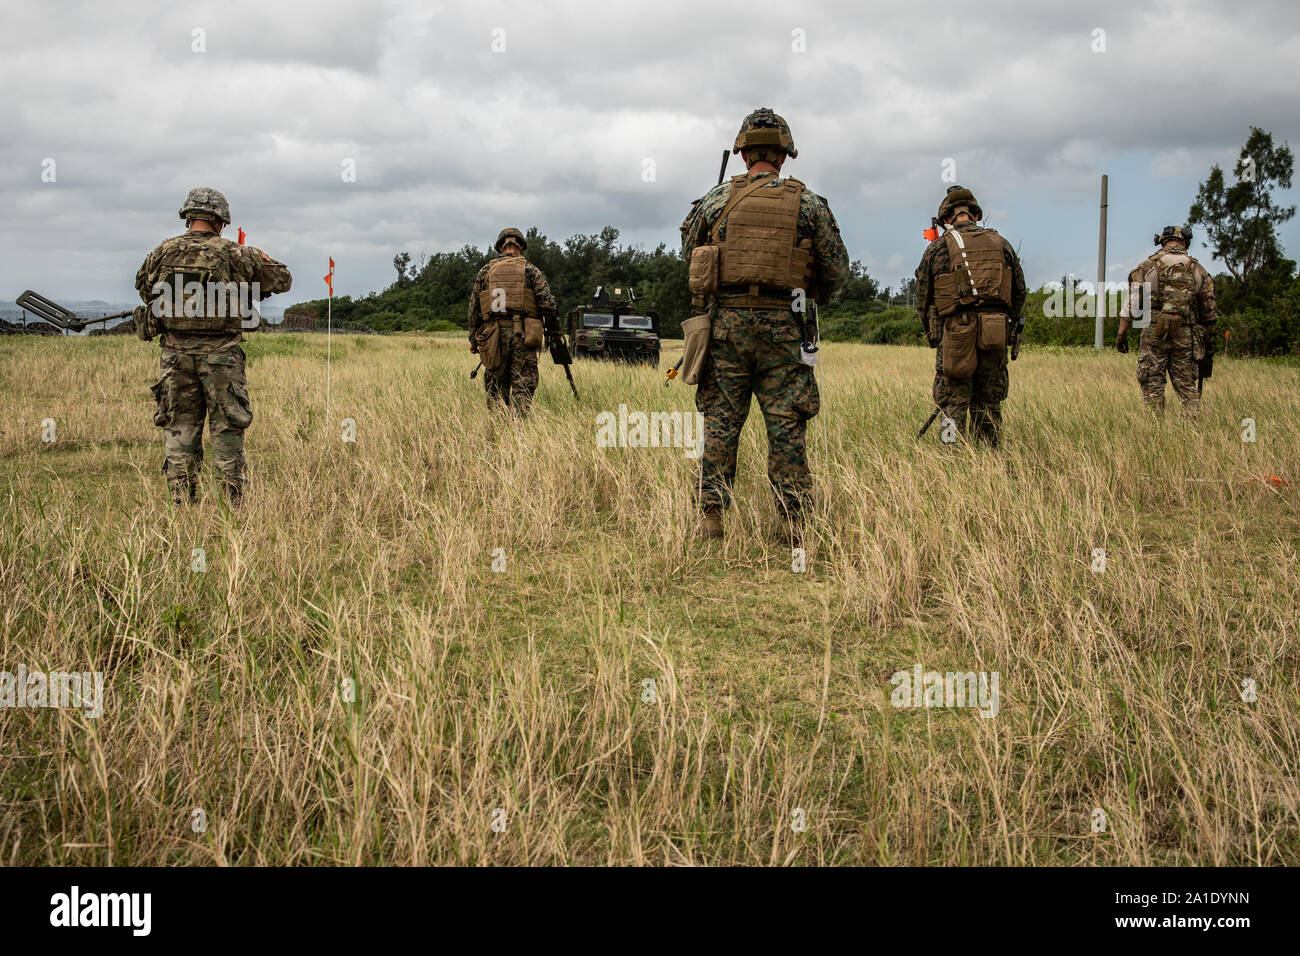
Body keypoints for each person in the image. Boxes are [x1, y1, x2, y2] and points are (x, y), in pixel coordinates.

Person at [679, 108, 848, 543]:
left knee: (720, 422)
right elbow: (835, 271)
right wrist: (807, 298)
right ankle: (792, 523)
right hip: (784, 326)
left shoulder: (715, 200)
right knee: (787, 424)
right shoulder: (808, 203)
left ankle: (711, 517)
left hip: (725, 328)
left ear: (743, 155)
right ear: (784, 156)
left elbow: (691, 257)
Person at [134, 187, 292, 505]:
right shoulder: (234, 253)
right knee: (227, 429)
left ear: (188, 216)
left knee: (179, 429)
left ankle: (182, 504)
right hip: (222, 357)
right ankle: (230, 506)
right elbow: (283, 279)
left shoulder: (161, 253)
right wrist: (257, 263)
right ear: (220, 220)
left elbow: (144, 289)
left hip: (175, 356)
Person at [914, 185, 1026, 447]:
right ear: (975, 215)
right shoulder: (1002, 245)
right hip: (995, 332)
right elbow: (1019, 293)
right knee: (989, 402)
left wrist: (934, 335)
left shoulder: (938, 248)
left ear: (945, 219)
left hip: (955, 335)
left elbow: (922, 298)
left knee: (951, 404)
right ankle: (989, 455)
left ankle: (949, 455)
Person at [1116, 225, 1217, 418]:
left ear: (1162, 242)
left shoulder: (1146, 266)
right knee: (1187, 385)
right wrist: (1207, 337)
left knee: (1152, 383)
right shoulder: (1198, 269)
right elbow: (1209, 309)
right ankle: (1193, 428)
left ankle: (1157, 429)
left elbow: (1132, 305)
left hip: (1153, 332)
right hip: (1185, 332)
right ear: (1185, 242)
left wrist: (1121, 333)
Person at [467, 227, 557, 415]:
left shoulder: (485, 271)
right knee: (522, 384)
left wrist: (474, 340)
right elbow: (548, 306)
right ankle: (518, 433)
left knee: (496, 388)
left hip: (493, 337)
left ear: (500, 248)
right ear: (521, 247)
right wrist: (554, 333)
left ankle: (498, 429)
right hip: (523, 336)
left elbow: (474, 308)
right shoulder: (531, 271)